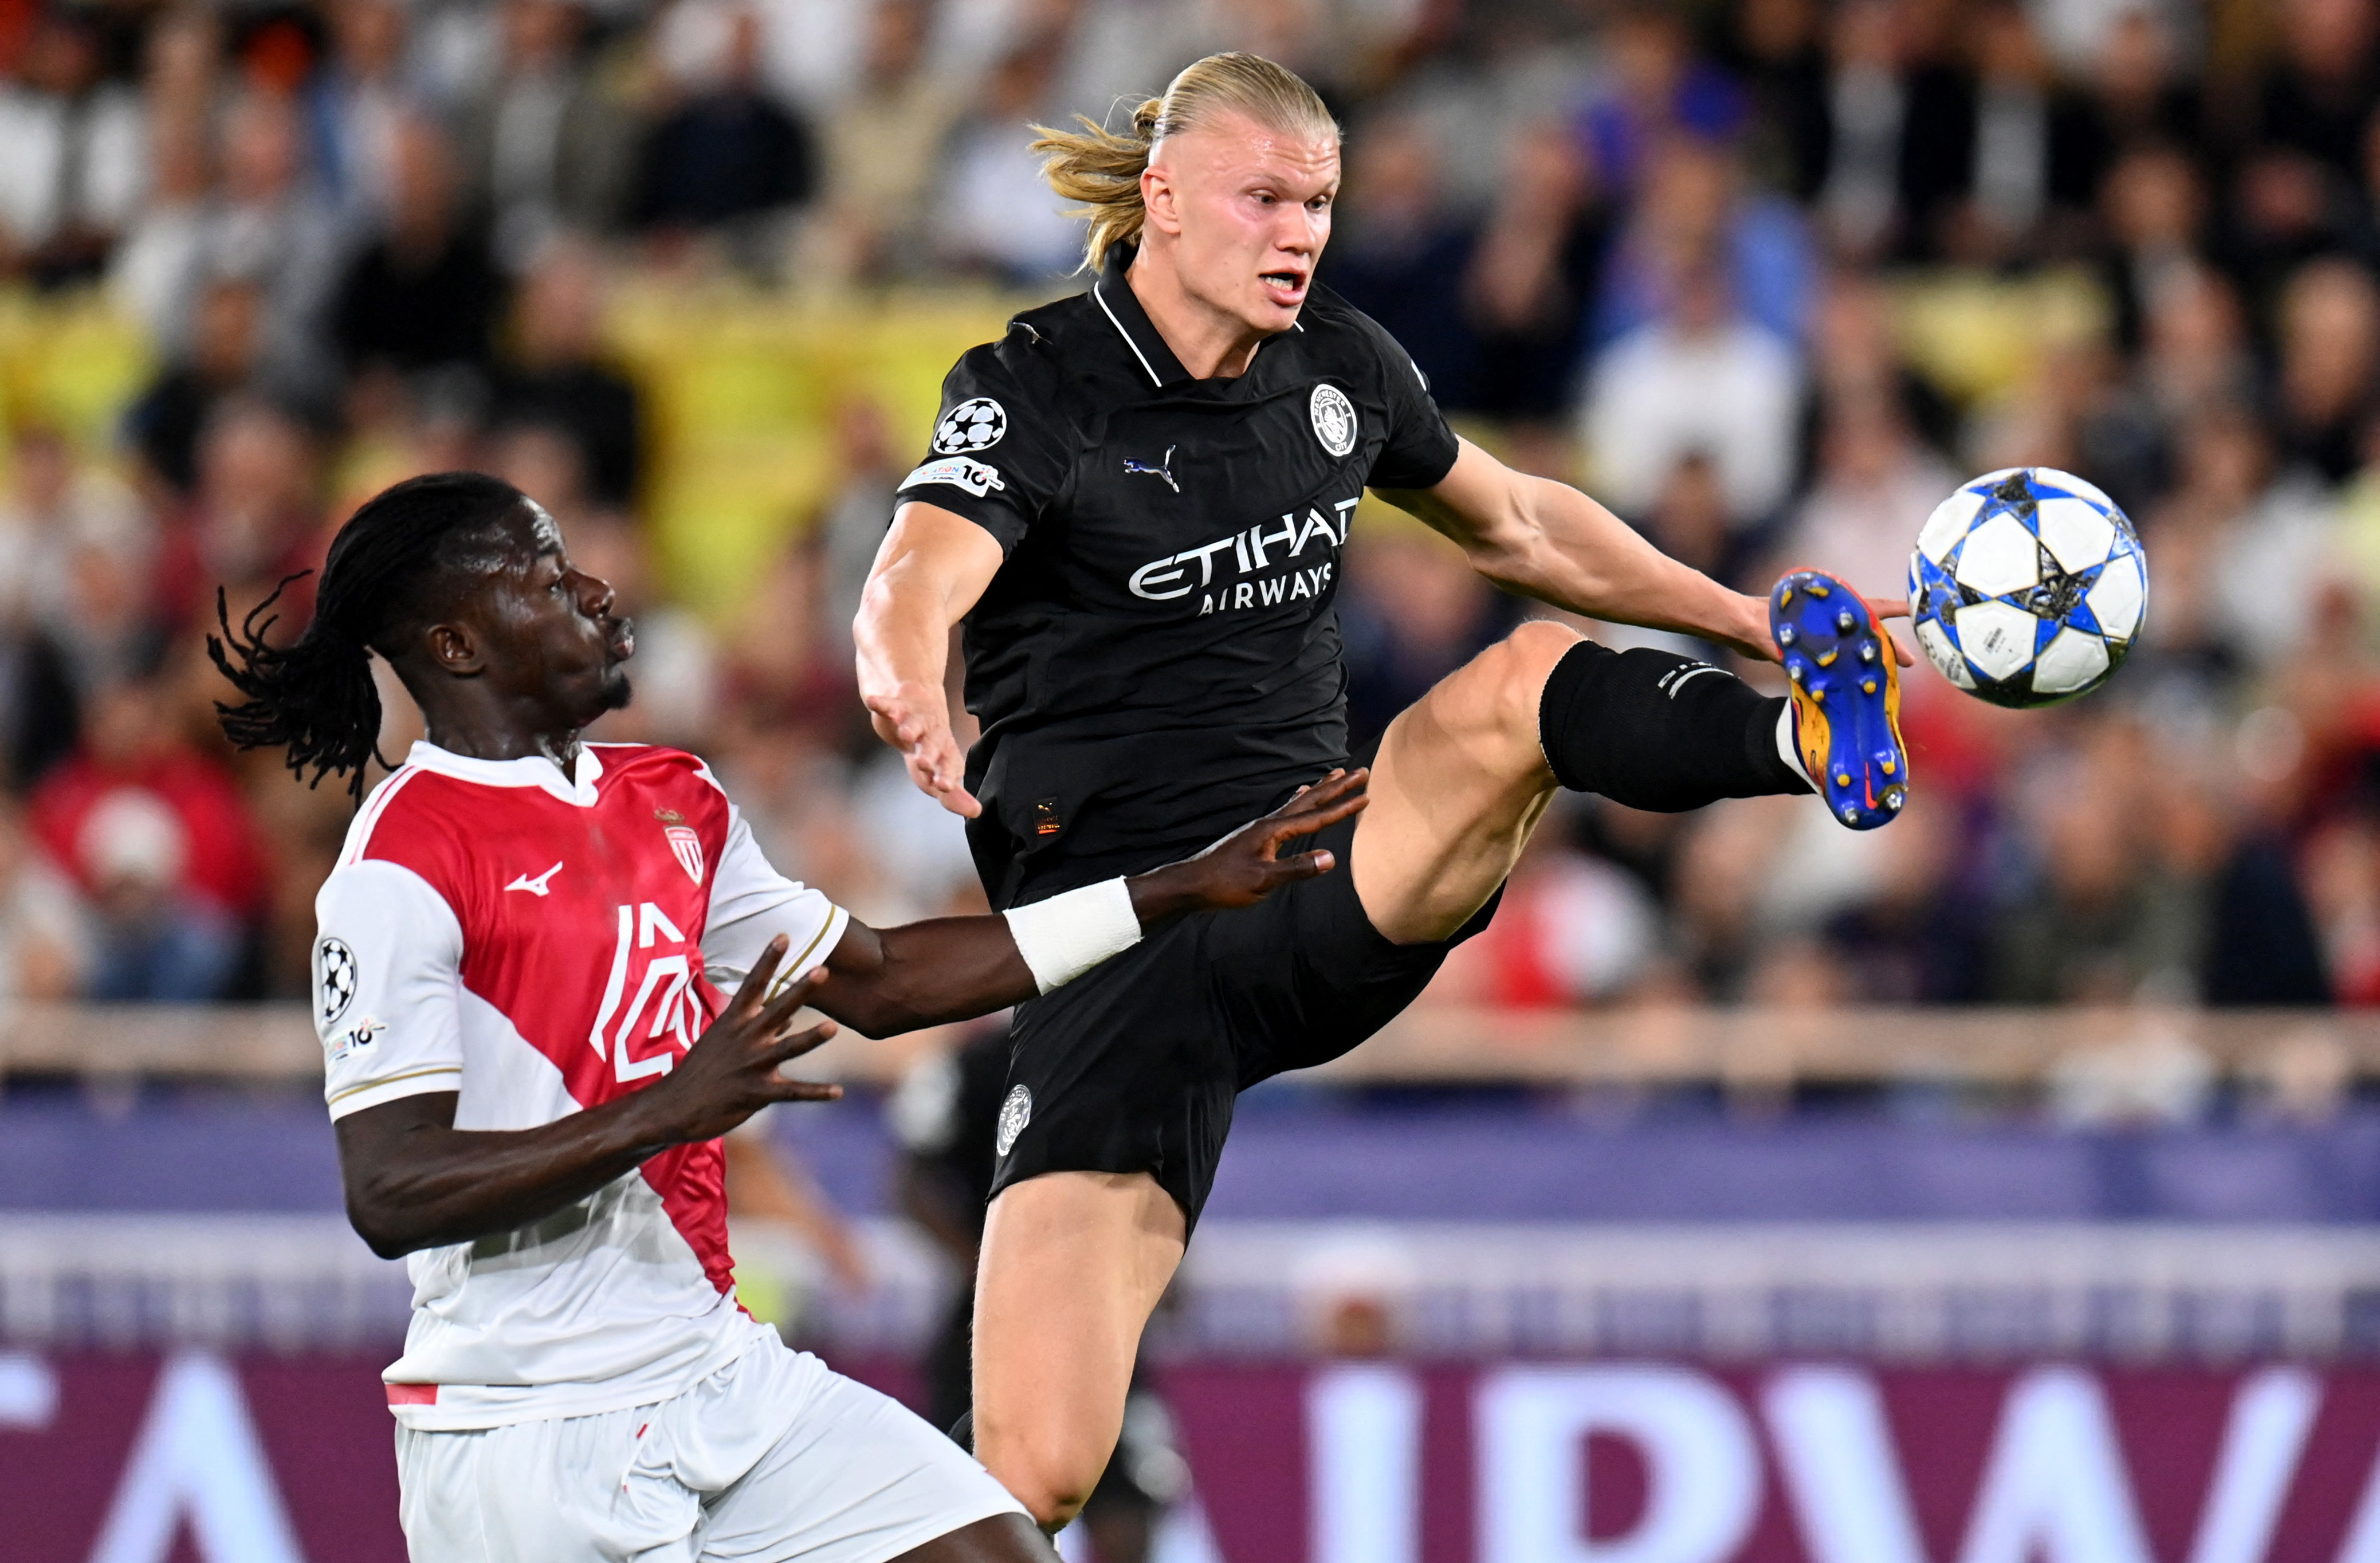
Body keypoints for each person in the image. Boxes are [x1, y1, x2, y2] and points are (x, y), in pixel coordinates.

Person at [854, 52, 1911, 1530]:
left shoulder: (1336, 363)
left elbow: (1523, 519)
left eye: (1322, 204)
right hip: (1116, 958)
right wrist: (903, 665)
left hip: (1309, 874)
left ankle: (1801, 748)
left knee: (1522, 684)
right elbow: (922, 564)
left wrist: (1746, 620)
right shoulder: (1042, 382)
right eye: (1266, 198)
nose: (1301, 233)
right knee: (1029, 1469)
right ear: (1161, 200)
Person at [207, 470, 1365, 1563]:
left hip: (720, 1373)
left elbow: (882, 980)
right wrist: (667, 1112)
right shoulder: (396, 869)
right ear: (455, 643)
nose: (598, 591)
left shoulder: (673, 799)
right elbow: (392, 1189)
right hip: (528, 1428)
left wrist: (1171, 888)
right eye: (548, 576)